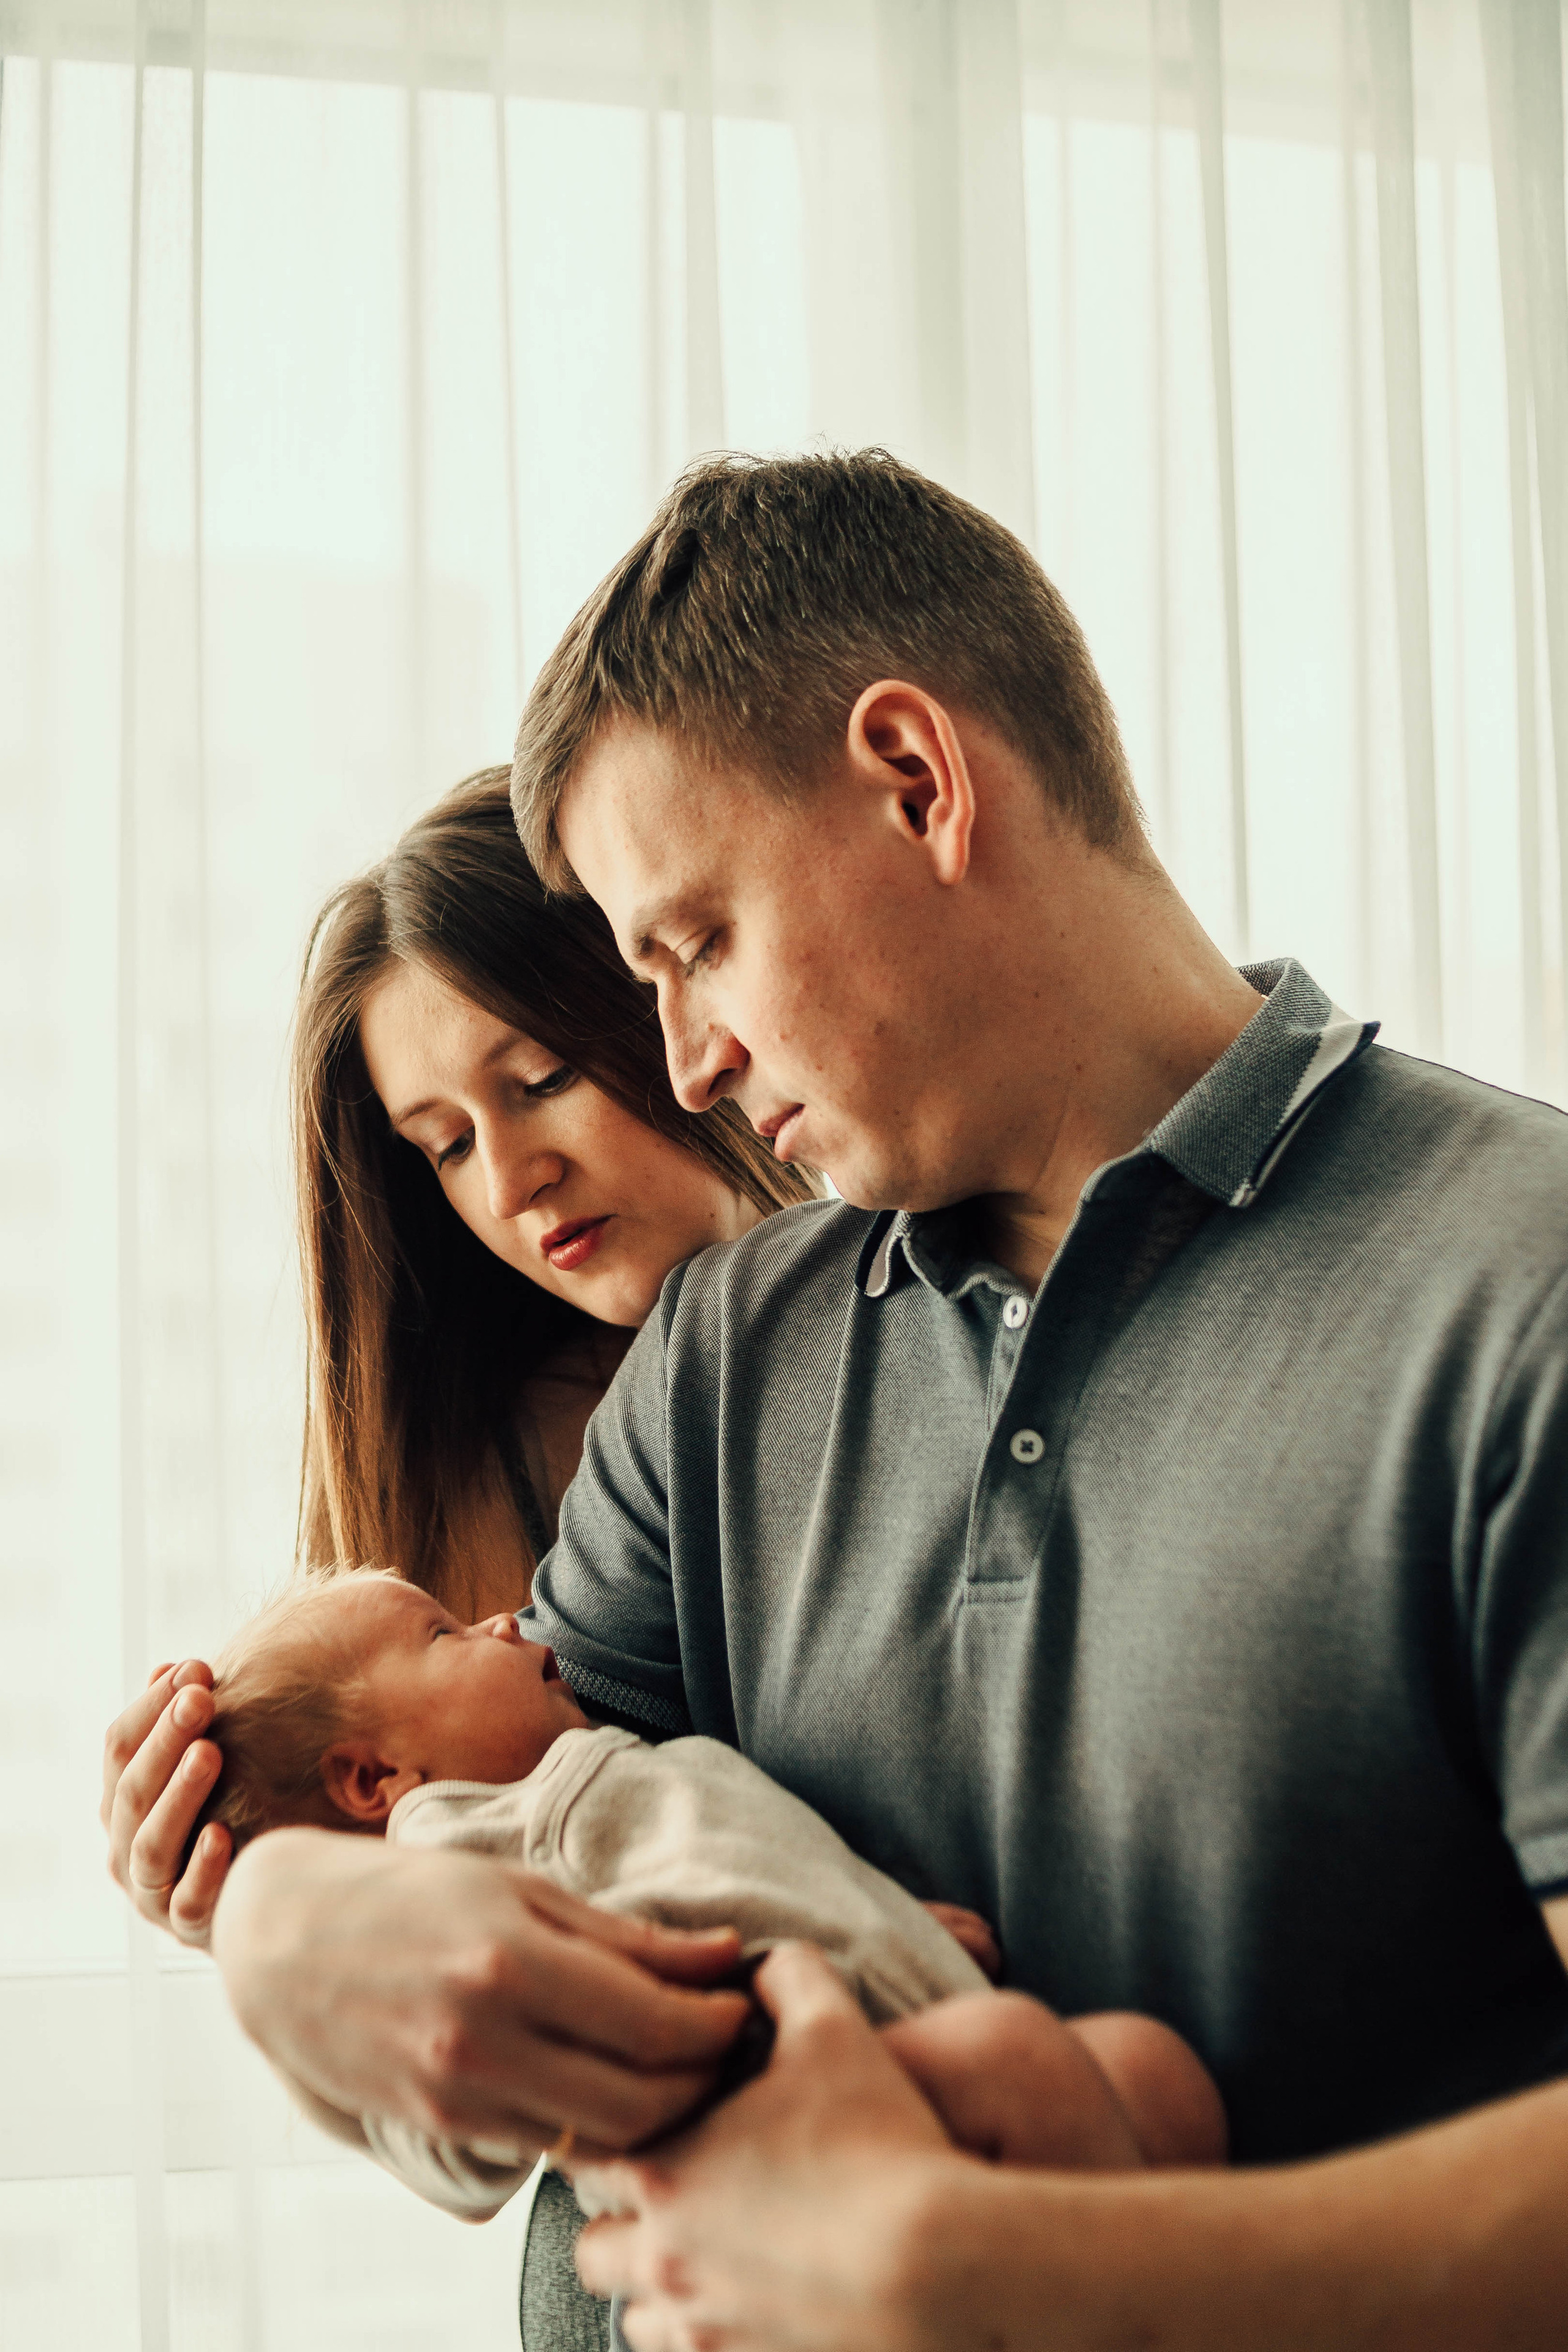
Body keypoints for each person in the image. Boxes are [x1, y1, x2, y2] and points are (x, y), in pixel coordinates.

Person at [115, 448, 1568, 2350]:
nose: (695, 1060)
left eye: (696, 942)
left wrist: (1009, 2279)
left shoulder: (1521, 1286)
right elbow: (498, 1798)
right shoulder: (719, 1359)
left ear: (918, 779)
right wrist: (288, 1935)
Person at [186, 1563, 1224, 2220]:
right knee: (1022, 2063)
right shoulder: (461, 1858)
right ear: (376, 1781)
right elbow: (455, 2102)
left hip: (902, 2036)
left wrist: (885, 1921)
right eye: (444, 1635)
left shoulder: (605, 1771)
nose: (503, 1618)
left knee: (1155, 2077)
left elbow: (750, 1869)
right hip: (787, 2147)